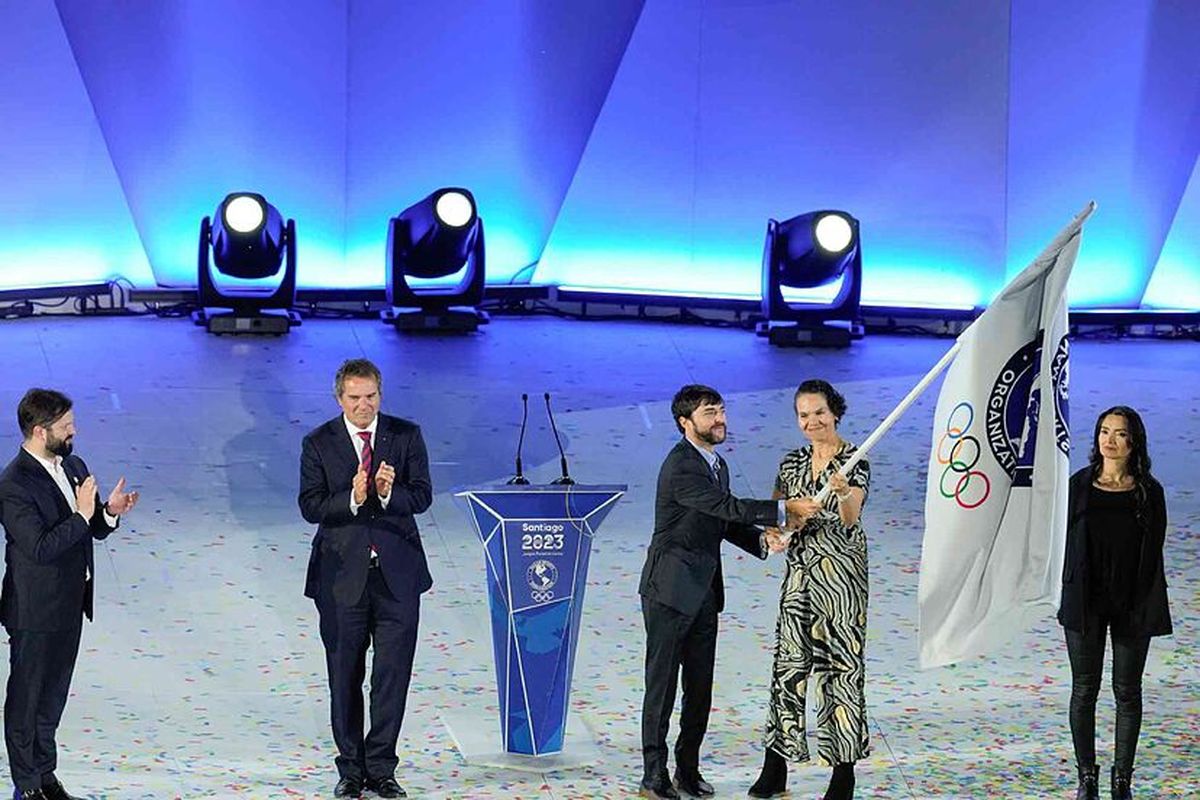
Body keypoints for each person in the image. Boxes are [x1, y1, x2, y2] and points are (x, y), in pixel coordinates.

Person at [638, 384, 809, 799]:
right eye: (709, 412)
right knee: (661, 687)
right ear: (685, 422)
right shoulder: (681, 467)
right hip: (669, 591)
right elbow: (727, 507)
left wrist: (763, 541)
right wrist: (785, 510)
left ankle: (688, 770)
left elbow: (724, 521)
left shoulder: (716, 464)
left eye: (722, 410)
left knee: (699, 688)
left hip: (703, 594)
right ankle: (653, 775)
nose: (720, 419)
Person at [299, 358, 433, 799]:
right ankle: (350, 770)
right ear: (340, 398)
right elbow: (311, 506)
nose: (364, 406)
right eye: (355, 398)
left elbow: (423, 495)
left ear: (380, 394)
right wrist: (353, 499)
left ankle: (382, 768)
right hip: (341, 580)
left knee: (392, 677)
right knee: (344, 675)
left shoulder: (404, 435)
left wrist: (388, 494)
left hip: (397, 578)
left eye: (371, 397)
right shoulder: (318, 443)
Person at [0, 388, 139, 800]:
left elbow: (90, 527)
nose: (73, 431)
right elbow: (40, 546)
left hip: (69, 606)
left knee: (53, 697)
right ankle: (27, 786)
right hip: (34, 609)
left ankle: (46, 777)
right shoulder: (12, 484)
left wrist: (108, 512)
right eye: (65, 426)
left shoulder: (73, 465)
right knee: (27, 701)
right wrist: (81, 513)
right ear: (41, 431)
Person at [749, 379, 870, 800]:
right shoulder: (791, 462)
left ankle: (843, 772)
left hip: (841, 580)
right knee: (788, 667)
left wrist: (840, 493)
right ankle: (775, 764)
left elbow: (852, 517)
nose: (811, 421)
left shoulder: (855, 459)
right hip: (800, 578)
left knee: (841, 671)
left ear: (834, 411)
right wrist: (779, 530)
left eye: (818, 412)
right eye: (803, 415)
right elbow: (776, 514)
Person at [1058, 406, 1170, 800]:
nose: (1109, 439)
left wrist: (1139, 597)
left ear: (1133, 441)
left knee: (1127, 691)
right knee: (1084, 689)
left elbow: (1154, 548)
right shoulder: (1078, 486)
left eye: (1119, 433)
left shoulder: (1149, 491)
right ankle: (1086, 776)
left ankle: (1122, 780)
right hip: (1085, 601)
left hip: (1133, 601)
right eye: (1104, 431)